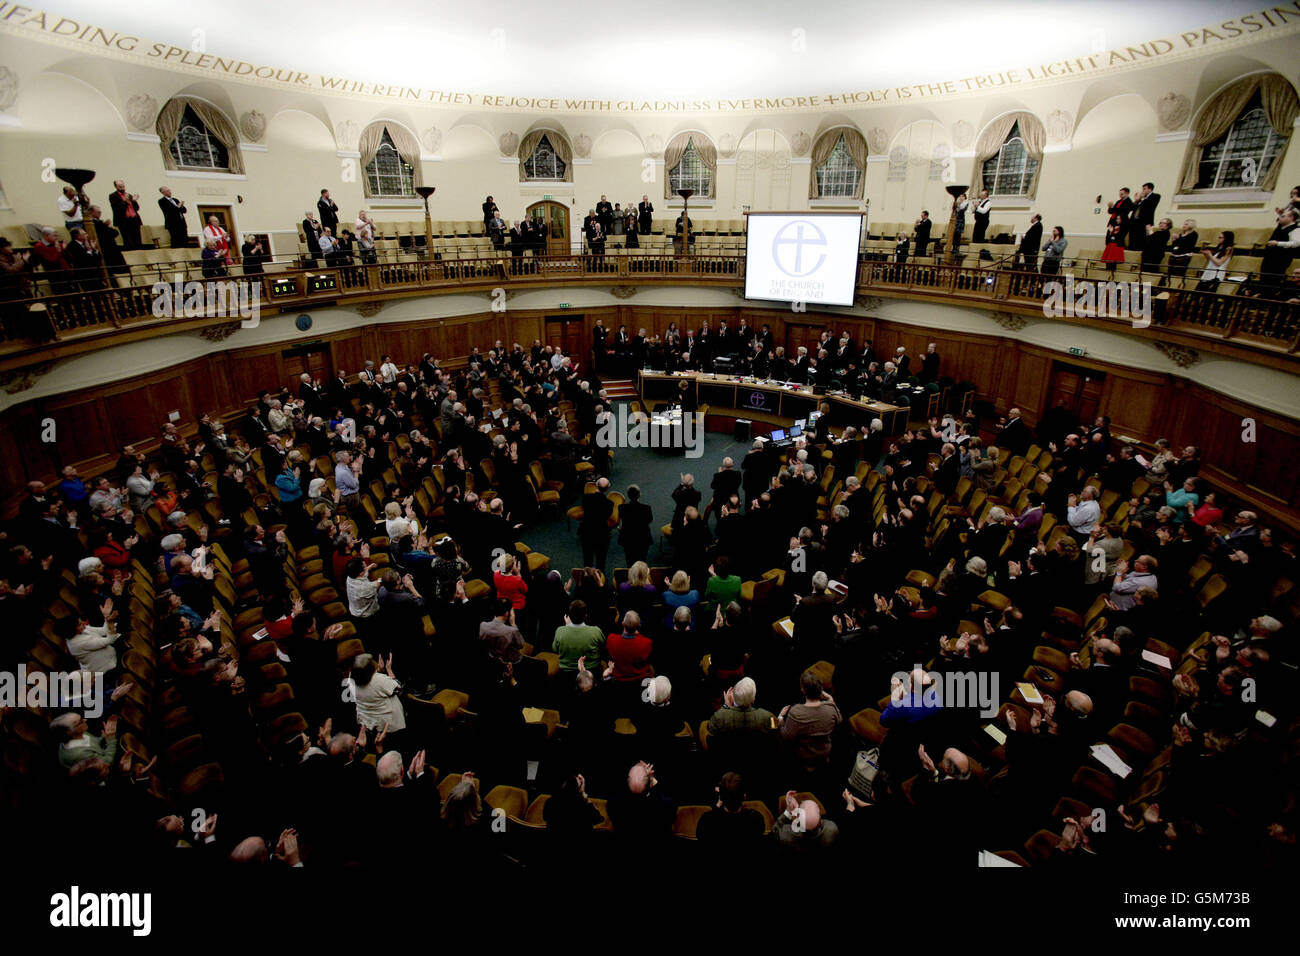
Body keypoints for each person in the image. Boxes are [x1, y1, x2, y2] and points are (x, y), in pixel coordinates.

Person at [108, 179, 142, 249]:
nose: (122, 188)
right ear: (116, 187)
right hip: (124, 221)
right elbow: (117, 208)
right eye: (120, 187)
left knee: (137, 240)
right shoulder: (113, 196)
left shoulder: (129, 195)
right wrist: (126, 201)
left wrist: (134, 201)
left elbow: (136, 208)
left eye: (123, 186)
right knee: (128, 241)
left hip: (134, 220)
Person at [1129, 182, 1160, 251]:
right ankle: (1132, 249)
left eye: (1144, 189)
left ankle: (1138, 249)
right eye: (1142, 189)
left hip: (1144, 222)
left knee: (1140, 239)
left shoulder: (1155, 196)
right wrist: (1137, 200)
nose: (1142, 191)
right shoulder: (1141, 199)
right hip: (1134, 222)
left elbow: (1148, 206)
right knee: (1132, 239)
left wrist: (1142, 199)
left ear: (1150, 189)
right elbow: (1132, 208)